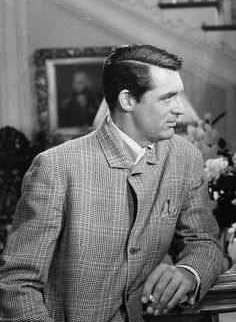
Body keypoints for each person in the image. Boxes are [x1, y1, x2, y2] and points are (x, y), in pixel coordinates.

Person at [0, 44, 223, 321]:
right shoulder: (56, 167)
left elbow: (204, 241)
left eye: (179, 96)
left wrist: (190, 272)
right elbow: (17, 282)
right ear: (128, 100)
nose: (179, 109)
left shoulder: (184, 157)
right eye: (167, 98)